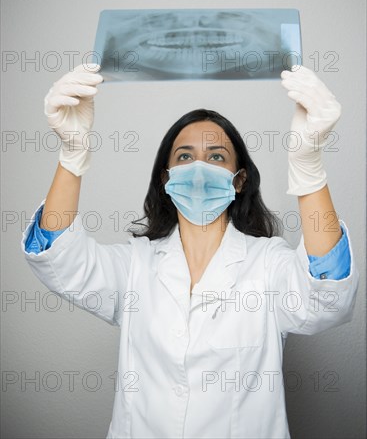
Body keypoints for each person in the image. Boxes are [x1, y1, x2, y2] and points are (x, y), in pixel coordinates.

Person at [21, 63, 359, 439]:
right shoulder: (134, 266)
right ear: (165, 178)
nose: (198, 167)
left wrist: (308, 168)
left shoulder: (268, 265)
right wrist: (71, 156)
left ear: (239, 178)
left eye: (216, 157)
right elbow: (57, 253)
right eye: (184, 156)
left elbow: (327, 295)